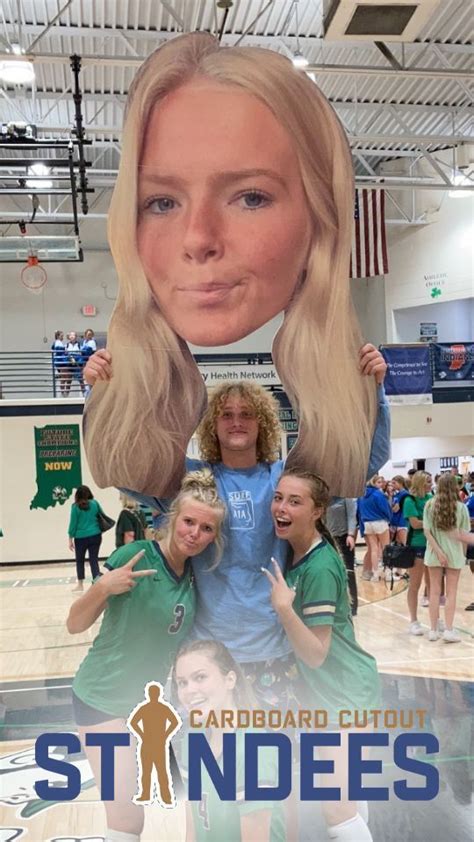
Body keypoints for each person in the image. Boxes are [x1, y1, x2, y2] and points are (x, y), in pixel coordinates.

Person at [82, 31, 388, 500]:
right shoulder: (198, 485)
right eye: (162, 201)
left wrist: (371, 391)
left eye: (250, 197)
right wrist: (104, 390)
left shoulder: (281, 484)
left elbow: (355, 466)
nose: (198, 238)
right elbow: (138, 479)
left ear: (319, 217)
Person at [66, 469, 226, 842]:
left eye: (206, 529)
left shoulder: (193, 574)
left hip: (147, 707)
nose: (195, 534)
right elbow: (75, 623)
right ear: (172, 519)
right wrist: (103, 587)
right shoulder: (133, 556)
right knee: (126, 819)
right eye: (189, 522)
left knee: (178, 805)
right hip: (102, 699)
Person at [264, 468, 379, 842]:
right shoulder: (300, 554)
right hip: (331, 693)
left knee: (335, 806)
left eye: (295, 501)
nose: (281, 507)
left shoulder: (321, 567)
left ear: (318, 511)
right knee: (348, 799)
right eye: (279, 497)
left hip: (345, 694)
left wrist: (284, 610)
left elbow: (315, 654)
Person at [173, 639, 285, 842]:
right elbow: (193, 828)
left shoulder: (253, 749)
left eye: (200, 677)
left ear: (230, 680)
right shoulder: (192, 738)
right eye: (182, 683)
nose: (189, 690)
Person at [423, 473, 470, 642]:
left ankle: (433, 630)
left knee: (433, 592)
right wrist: (462, 555)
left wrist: (439, 552)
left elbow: (427, 532)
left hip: (433, 553)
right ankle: (449, 630)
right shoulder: (461, 507)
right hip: (455, 554)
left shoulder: (429, 505)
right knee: (451, 593)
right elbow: (463, 534)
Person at [403, 471, 433, 635]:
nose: (431, 484)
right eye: (428, 481)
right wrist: (433, 522)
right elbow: (414, 524)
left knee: (433, 585)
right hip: (417, 546)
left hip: (433, 544)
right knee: (415, 585)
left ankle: (435, 620)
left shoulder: (431, 498)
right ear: (420, 482)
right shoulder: (409, 500)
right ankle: (413, 620)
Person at [68, 485, 105, 592]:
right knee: (94, 560)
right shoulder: (95, 503)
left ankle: (80, 585)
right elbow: (102, 516)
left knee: (80, 560)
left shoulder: (75, 507)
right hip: (95, 535)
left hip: (80, 538)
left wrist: (70, 539)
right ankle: (96, 584)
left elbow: (73, 524)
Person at [325, 497, 359, 615]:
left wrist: (351, 534)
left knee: (348, 571)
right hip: (328, 537)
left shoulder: (346, 498)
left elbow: (351, 516)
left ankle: (352, 606)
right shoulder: (326, 496)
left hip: (344, 537)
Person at [357, 475, 392, 583]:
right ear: (373, 482)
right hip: (380, 522)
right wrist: (389, 519)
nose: (382, 484)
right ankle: (388, 574)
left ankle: (375, 575)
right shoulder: (378, 494)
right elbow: (385, 509)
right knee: (386, 548)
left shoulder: (361, 495)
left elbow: (359, 511)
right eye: (379, 482)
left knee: (373, 549)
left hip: (367, 523)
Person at [64, 330, 83, 396]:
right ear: (69, 337)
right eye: (71, 335)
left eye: (74, 335)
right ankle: (66, 394)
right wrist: (71, 358)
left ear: (76, 337)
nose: (72, 336)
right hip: (70, 362)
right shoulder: (66, 345)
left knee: (80, 379)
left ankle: (84, 393)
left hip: (77, 362)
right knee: (69, 379)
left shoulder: (79, 345)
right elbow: (66, 353)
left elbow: (81, 353)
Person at [51, 329, 67, 397]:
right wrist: (65, 349)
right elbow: (58, 350)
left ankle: (62, 391)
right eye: (61, 336)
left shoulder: (58, 342)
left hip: (60, 360)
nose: (62, 337)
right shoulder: (58, 342)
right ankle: (62, 392)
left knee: (63, 376)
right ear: (58, 336)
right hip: (60, 361)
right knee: (63, 376)